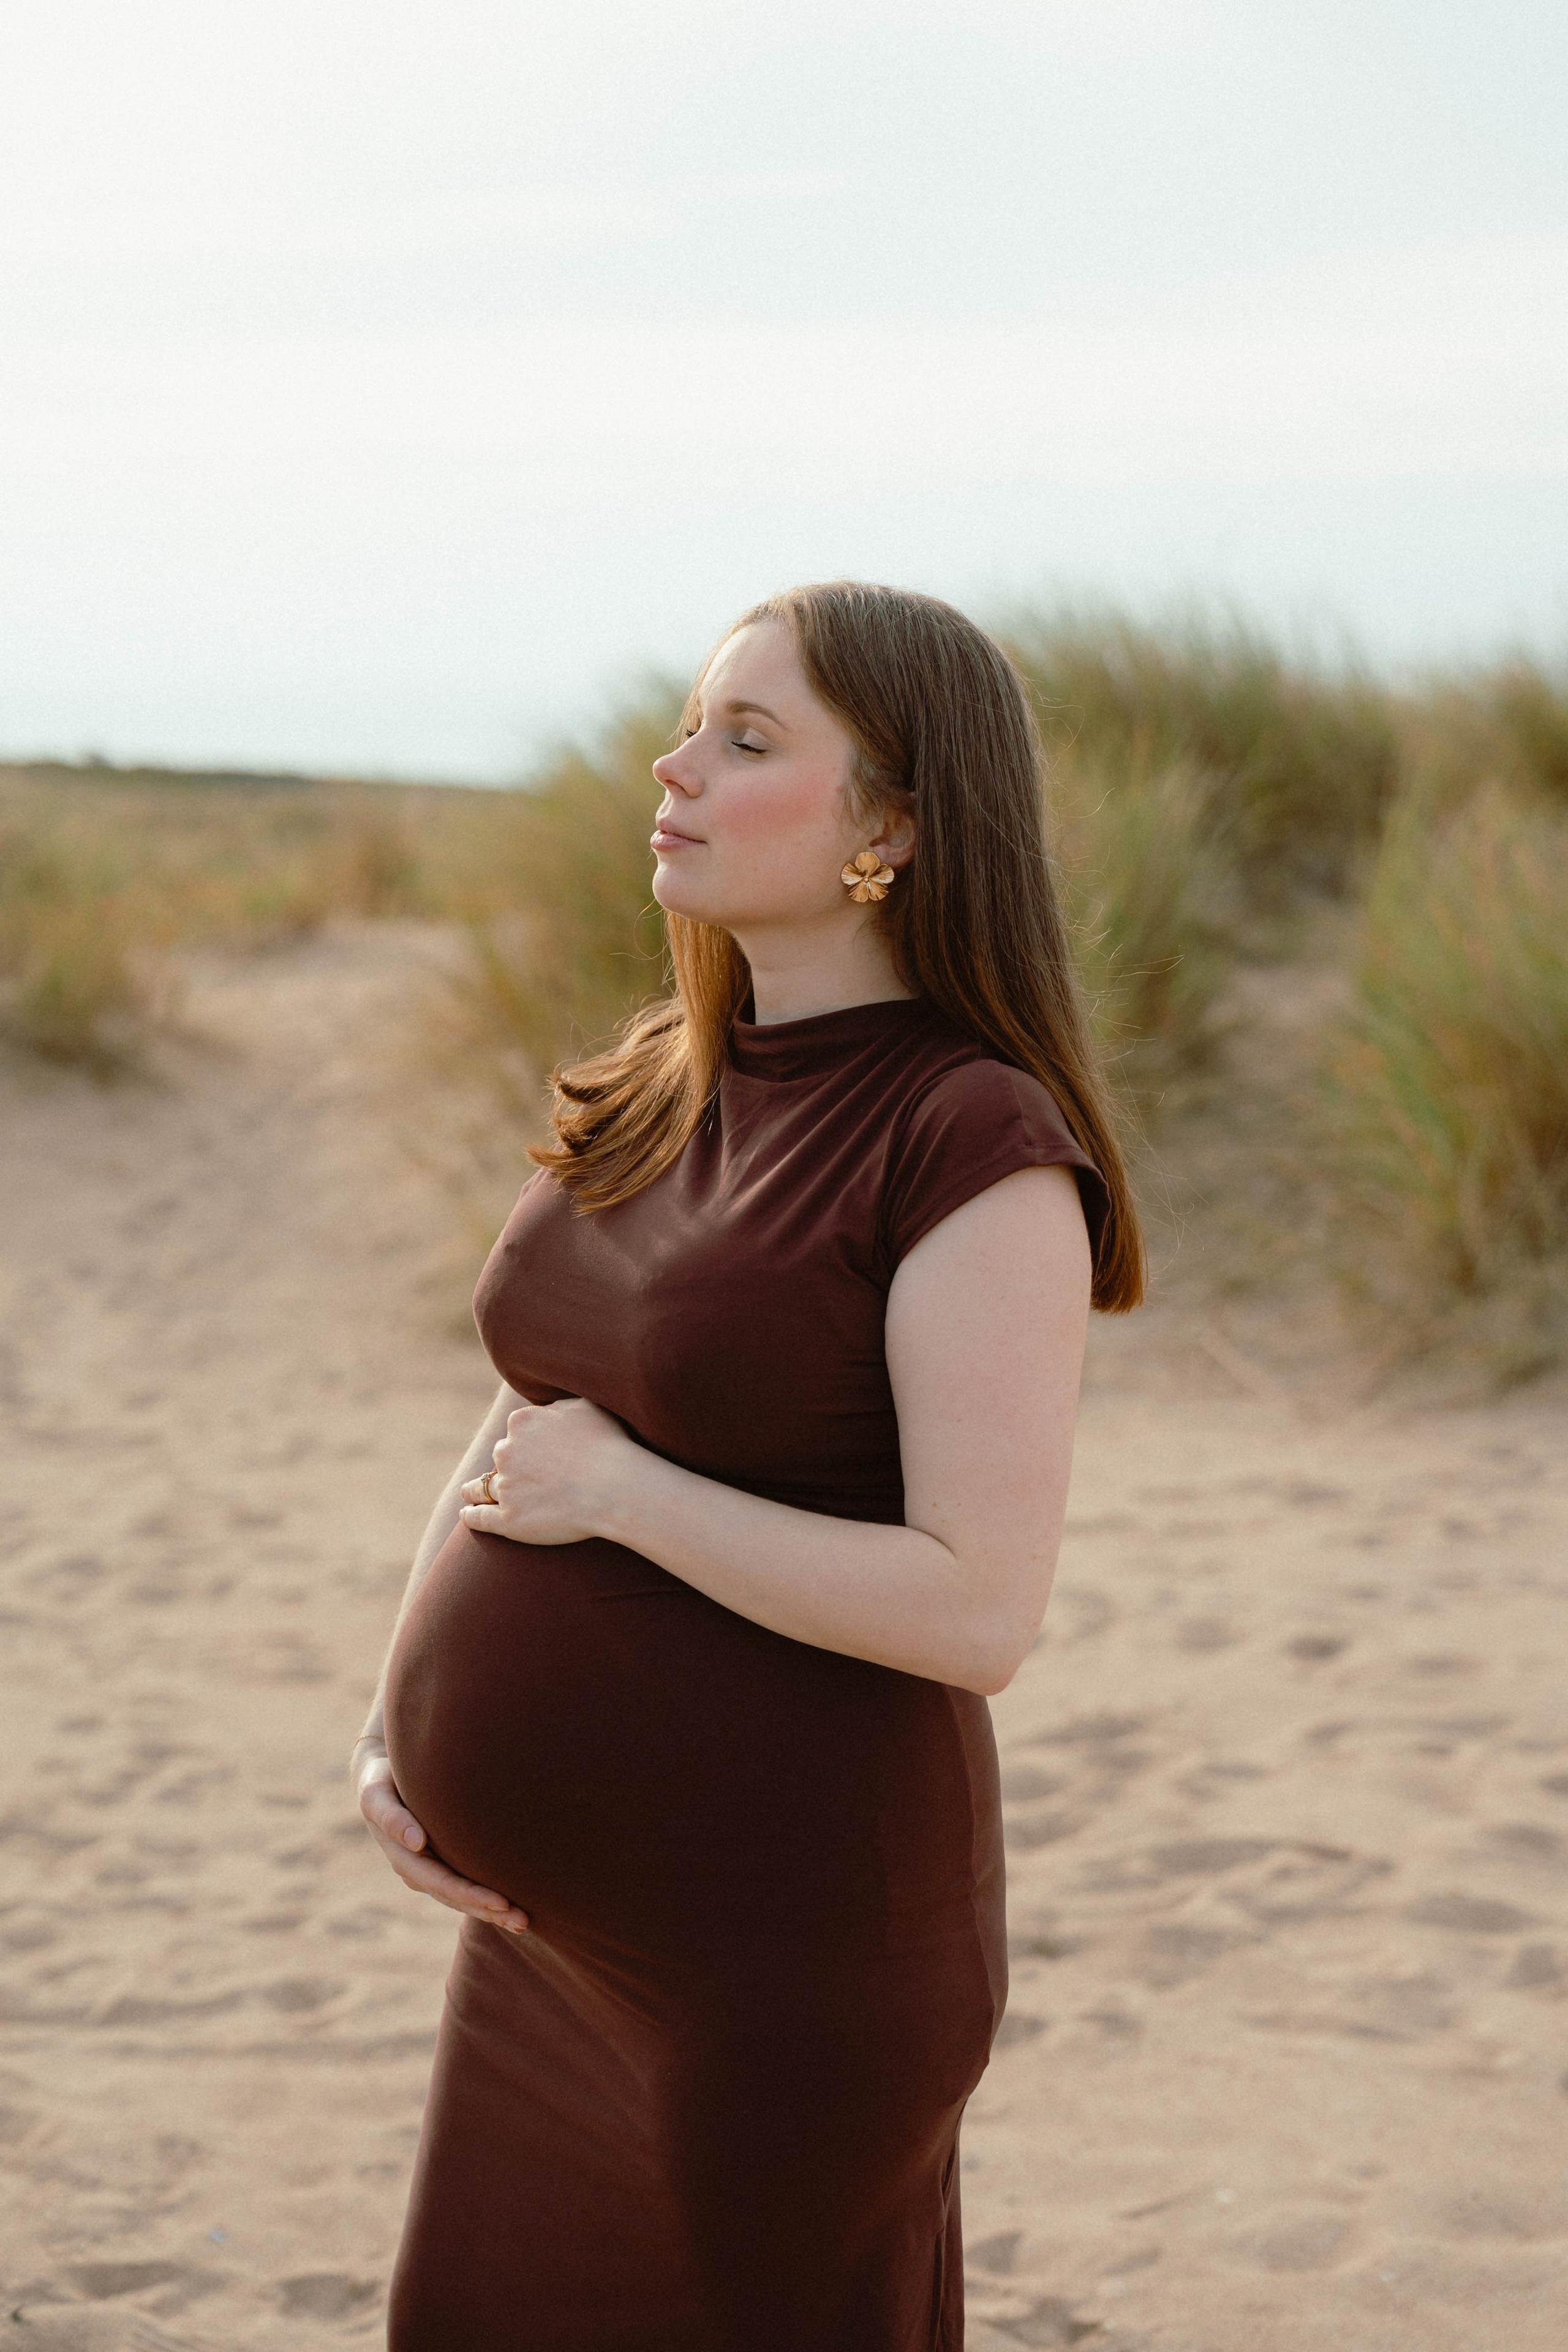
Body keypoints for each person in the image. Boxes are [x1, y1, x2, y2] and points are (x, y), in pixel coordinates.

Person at [352, 580, 1144, 2350]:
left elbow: (980, 1607)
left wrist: (633, 1502)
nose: (675, 762)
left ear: (894, 826)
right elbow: (527, 1416)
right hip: (546, 1945)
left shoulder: (972, 1141)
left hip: (782, 1969)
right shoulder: (663, 1072)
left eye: (750, 738)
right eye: (695, 723)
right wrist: (393, 1725)